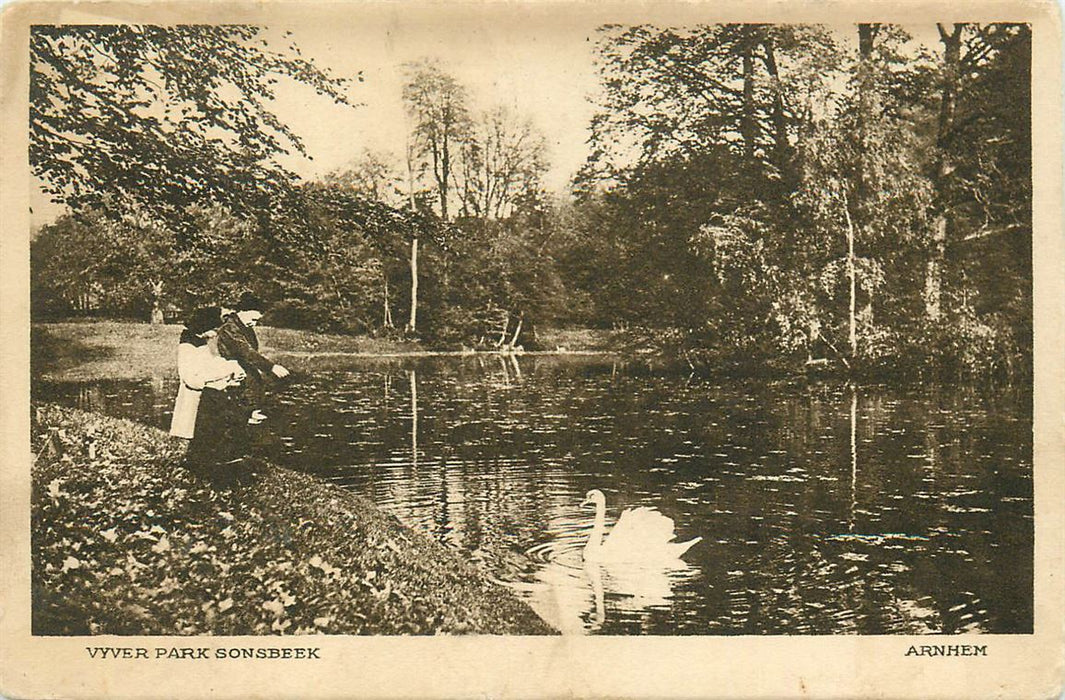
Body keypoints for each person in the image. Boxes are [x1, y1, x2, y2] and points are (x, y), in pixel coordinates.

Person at [169, 306, 244, 440]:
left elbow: (211, 363)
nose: (216, 334)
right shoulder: (189, 346)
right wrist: (227, 371)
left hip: (208, 397)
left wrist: (234, 368)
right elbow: (192, 378)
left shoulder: (202, 342)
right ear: (204, 326)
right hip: (196, 401)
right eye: (214, 330)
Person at [215, 292, 290, 424]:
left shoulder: (244, 326)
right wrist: (271, 367)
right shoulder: (230, 328)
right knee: (236, 414)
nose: (254, 323)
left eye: (257, 321)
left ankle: (249, 415)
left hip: (245, 375)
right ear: (242, 311)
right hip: (233, 374)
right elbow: (247, 352)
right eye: (253, 319)